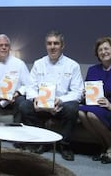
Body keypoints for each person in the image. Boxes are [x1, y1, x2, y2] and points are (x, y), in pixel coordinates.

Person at [19, 30, 83, 160]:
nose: (52, 47)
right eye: (49, 44)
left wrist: (60, 100)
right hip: (41, 106)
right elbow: (30, 87)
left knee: (72, 108)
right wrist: (36, 99)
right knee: (24, 105)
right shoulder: (38, 64)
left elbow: (78, 92)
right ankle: (42, 141)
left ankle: (64, 145)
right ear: (46, 46)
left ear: (62, 45)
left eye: (56, 43)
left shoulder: (73, 65)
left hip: (60, 106)